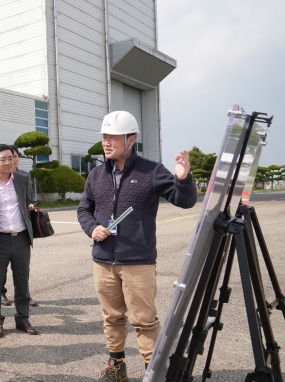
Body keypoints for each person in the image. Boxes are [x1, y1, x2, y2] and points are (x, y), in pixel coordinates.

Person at [77, 111, 196, 382]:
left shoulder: (151, 171)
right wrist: (91, 228)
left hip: (138, 262)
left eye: (113, 137)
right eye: (104, 137)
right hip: (103, 260)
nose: (106, 142)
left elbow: (184, 200)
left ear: (131, 139)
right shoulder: (95, 175)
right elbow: (84, 209)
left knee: (144, 320)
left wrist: (183, 177)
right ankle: (117, 366)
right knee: (111, 316)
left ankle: (152, 372)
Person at [0, 144, 38, 338]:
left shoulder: (23, 179)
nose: (8, 162)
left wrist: (31, 206)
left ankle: (22, 319)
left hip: (20, 239)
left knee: (22, 282)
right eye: (3, 159)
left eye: (11, 158)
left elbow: (29, 200)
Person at [0, 145, 38, 308]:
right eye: (8, 157)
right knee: (1, 267)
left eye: (14, 156)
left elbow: (30, 196)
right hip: (2, 232)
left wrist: (31, 204)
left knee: (22, 268)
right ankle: (0, 293)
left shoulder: (24, 175)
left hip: (21, 229)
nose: (12, 160)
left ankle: (24, 296)